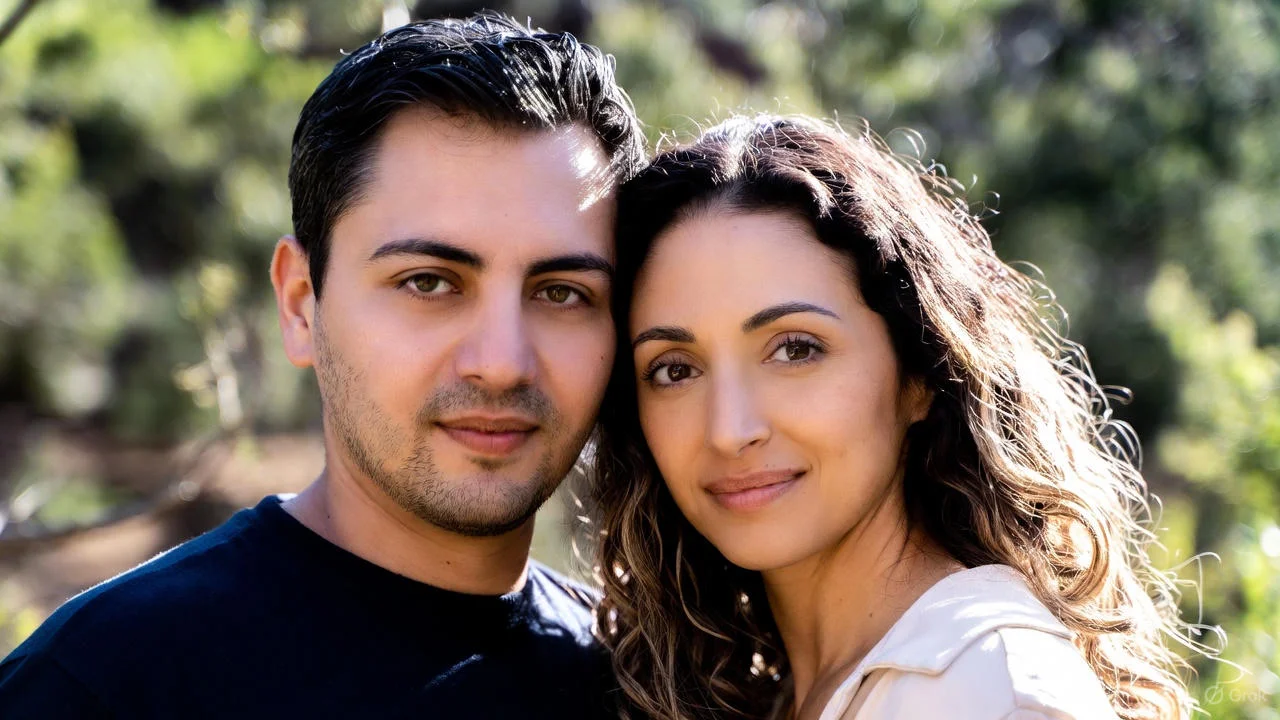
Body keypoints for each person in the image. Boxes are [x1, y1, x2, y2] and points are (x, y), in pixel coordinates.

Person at [0, 13, 645, 718]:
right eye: (428, 282)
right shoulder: (99, 685)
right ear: (302, 304)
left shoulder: (648, 687)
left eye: (562, 293)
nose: (501, 364)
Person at [590, 115, 1196, 720]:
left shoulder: (991, 691)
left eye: (795, 349)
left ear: (920, 375)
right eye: (675, 369)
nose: (729, 428)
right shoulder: (785, 693)